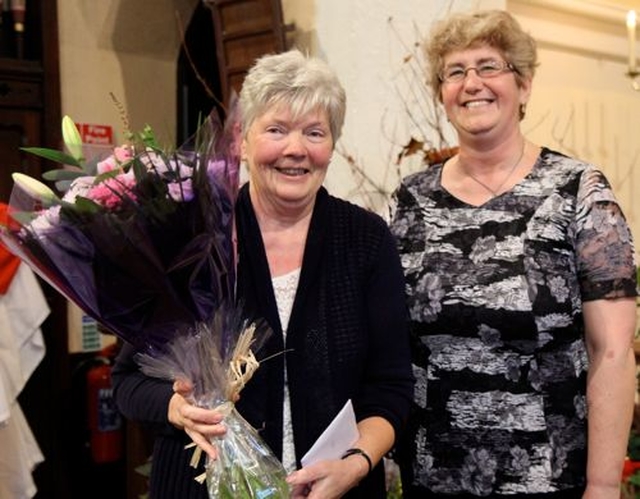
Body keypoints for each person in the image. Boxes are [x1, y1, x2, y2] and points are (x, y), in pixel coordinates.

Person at [112, 48, 414, 499]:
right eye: (276, 129)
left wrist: (355, 465)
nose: (296, 149)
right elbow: (128, 381)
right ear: (242, 138)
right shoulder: (198, 236)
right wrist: (177, 408)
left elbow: (391, 387)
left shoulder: (366, 239)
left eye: (315, 132)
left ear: (332, 145)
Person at [389, 9, 638, 499]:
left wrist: (604, 484)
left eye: (489, 66)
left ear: (523, 86)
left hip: (549, 477)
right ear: (442, 94)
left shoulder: (579, 192)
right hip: (430, 476)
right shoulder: (408, 200)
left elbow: (611, 351)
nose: (471, 83)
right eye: (455, 71)